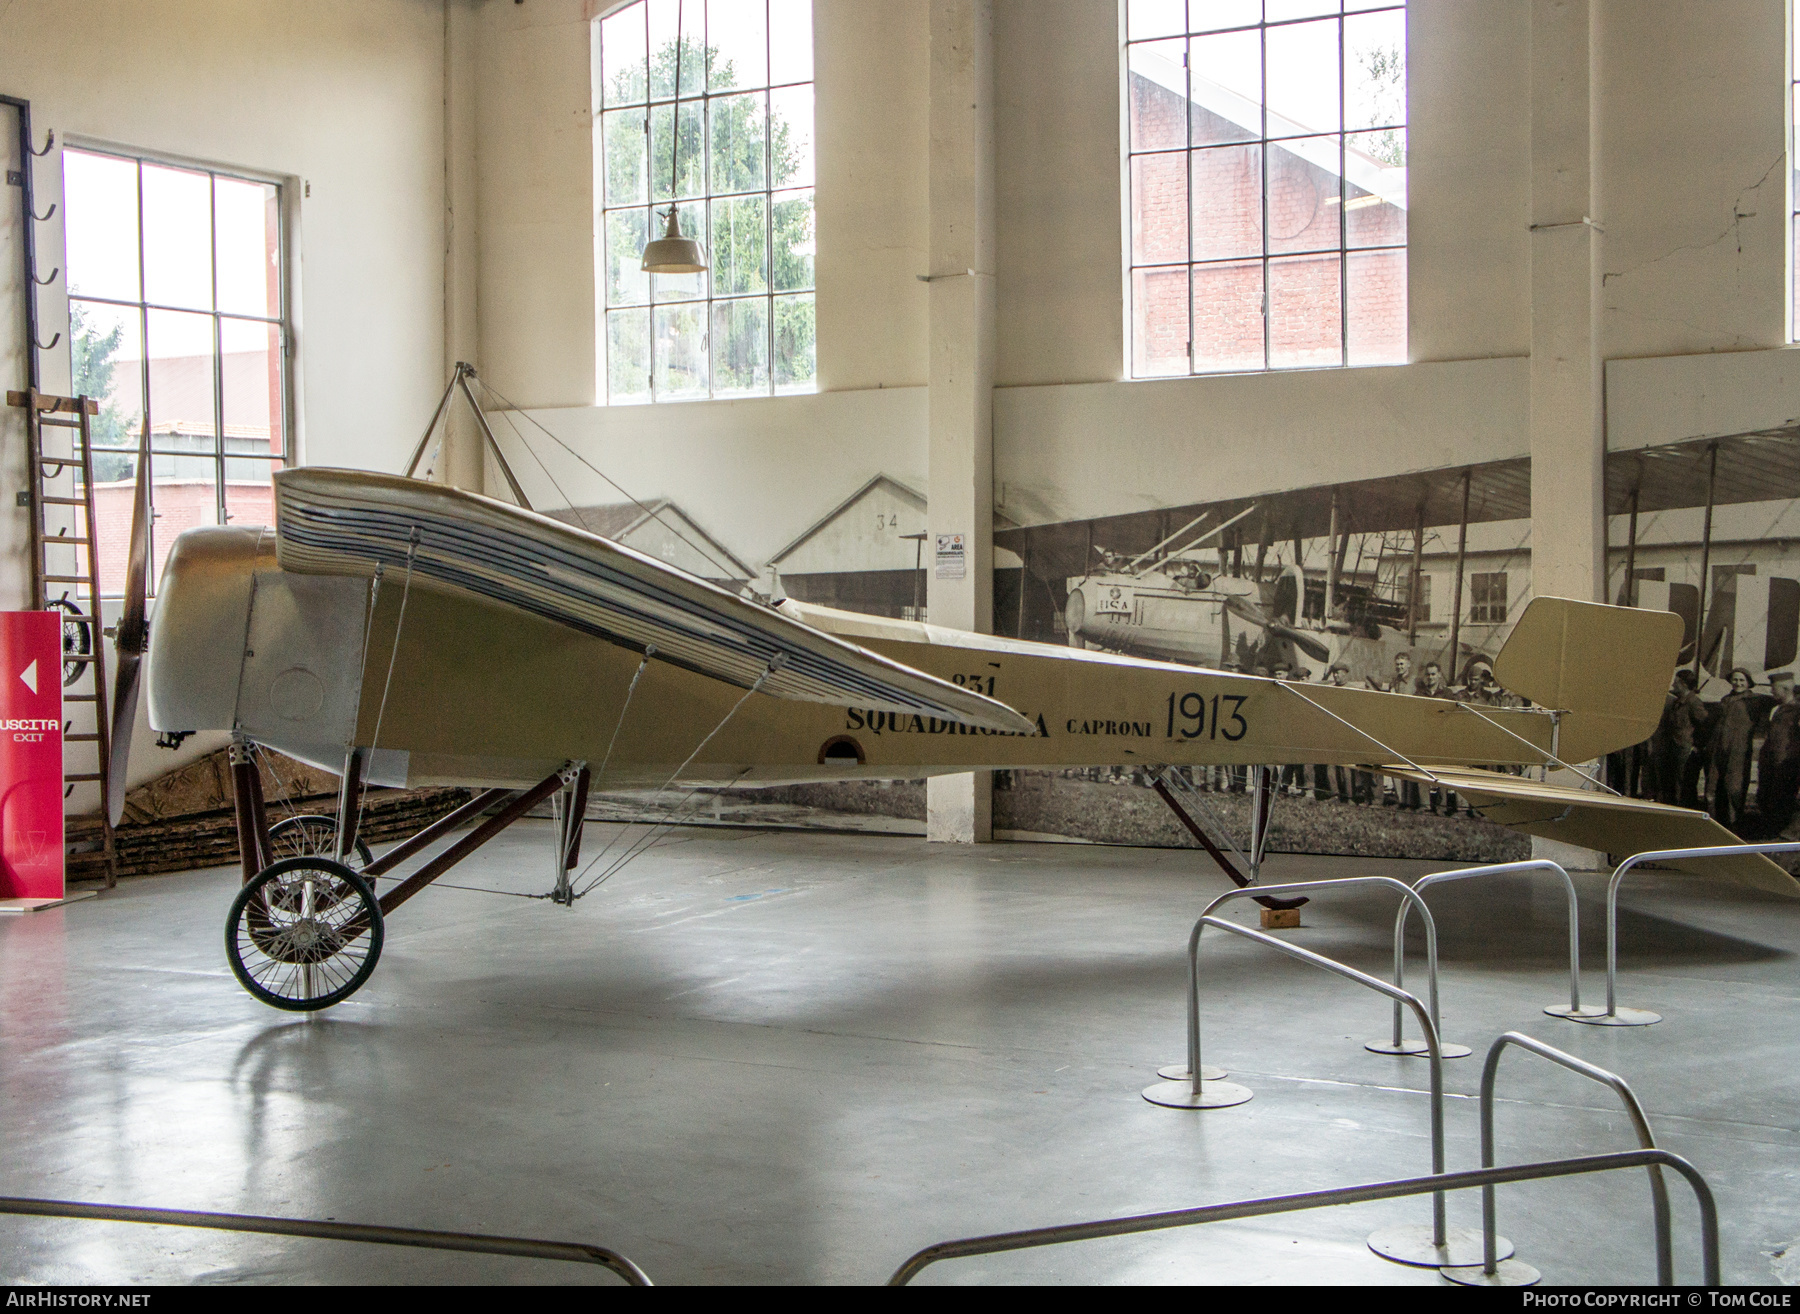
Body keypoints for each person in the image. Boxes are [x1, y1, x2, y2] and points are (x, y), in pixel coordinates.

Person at [1709, 667, 1770, 831]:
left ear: (1749, 683)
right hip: (1720, 748)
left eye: (1742, 680)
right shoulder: (1725, 699)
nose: (1738, 683)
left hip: (1739, 750)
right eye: (1735, 680)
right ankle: (1717, 822)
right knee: (1716, 784)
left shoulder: (1755, 701)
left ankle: (1734, 823)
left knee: (1734, 786)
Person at [1758, 671, 1800, 834]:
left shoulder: (1797, 710)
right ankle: (1769, 828)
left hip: (1787, 762)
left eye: (1774, 689)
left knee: (1782, 797)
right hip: (1769, 760)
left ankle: (1779, 832)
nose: (1771, 692)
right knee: (1766, 795)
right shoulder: (1775, 708)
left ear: (1786, 689)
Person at [1417, 660, 1461, 815]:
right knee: (1421, 770)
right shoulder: (1419, 694)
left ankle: (1442, 807)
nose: (1430, 677)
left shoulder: (1447, 694)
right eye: (1428, 674)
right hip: (1424, 736)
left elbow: (1452, 716)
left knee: (1442, 772)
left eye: (1433, 674)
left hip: (1442, 737)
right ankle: (1425, 805)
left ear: (1439, 675)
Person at [1388, 652, 1422, 811]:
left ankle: (1413, 800)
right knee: (1398, 763)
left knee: (1411, 764)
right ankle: (1402, 799)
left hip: (1411, 725)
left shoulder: (1416, 682)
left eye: (1402, 664)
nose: (1399, 667)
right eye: (1397, 664)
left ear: (1409, 665)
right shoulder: (1393, 682)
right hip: (1397, 725)